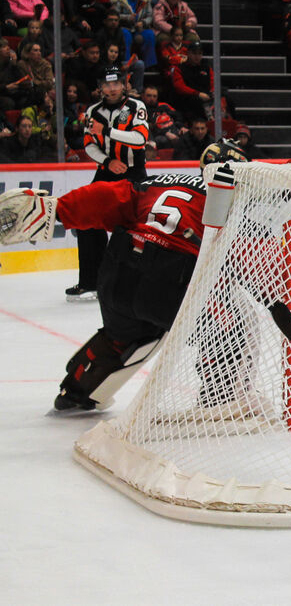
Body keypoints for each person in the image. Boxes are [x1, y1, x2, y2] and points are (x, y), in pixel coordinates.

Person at [0, 139, 249, 413]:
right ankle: (223, 400)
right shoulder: (231, 205)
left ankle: (77, 390)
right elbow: (251, 262)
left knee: (126, 334)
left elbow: (105, 198)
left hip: (117, 273)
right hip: (170, 281)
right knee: (232, 326)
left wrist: (58, 210)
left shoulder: (158, 181)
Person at [67, 66, 149, 301]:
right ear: (100, 87)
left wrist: (108, 131)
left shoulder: (136, 106)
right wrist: (107, 161)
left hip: (133, 172)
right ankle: (91, 281)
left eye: (116, 84)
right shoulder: (92, 111)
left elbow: (140, 138)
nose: (111, 88)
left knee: (133, 226)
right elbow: (89, 144)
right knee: (84, 218)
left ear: (124, 84)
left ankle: (133, 281)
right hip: (106, 170)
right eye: (107, 84)